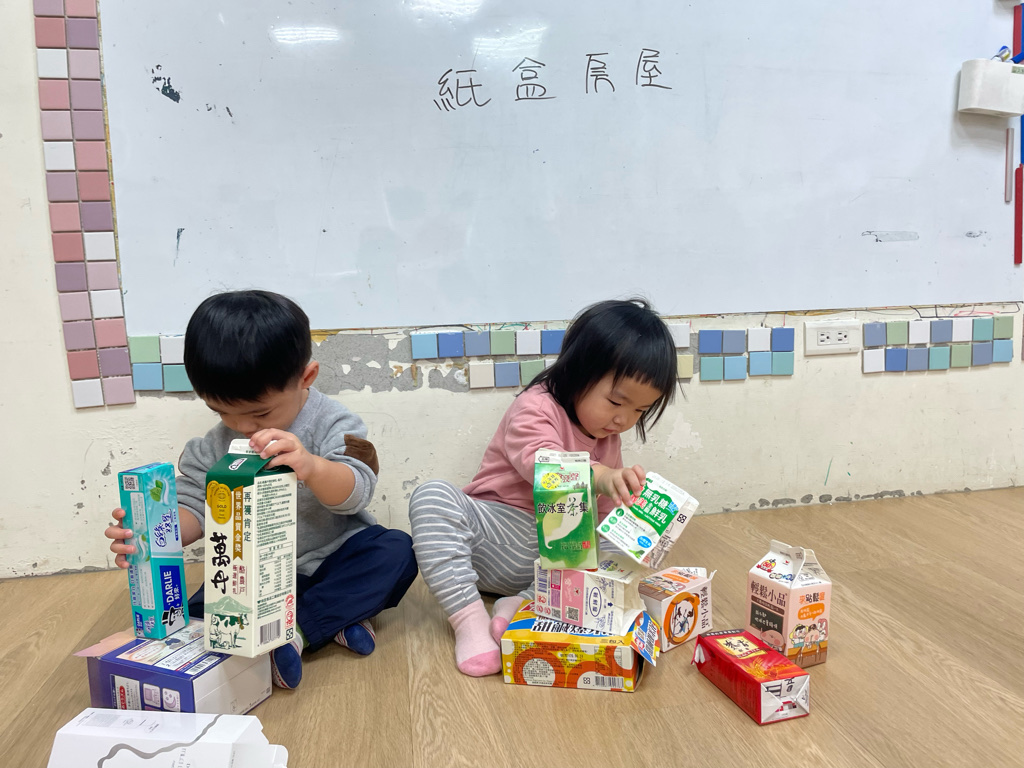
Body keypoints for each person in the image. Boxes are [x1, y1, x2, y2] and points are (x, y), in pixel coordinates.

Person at [106, 290, 418, 689]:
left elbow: (355, 493)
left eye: (260, 413)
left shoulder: (334, 423)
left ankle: (297, 632)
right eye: (222, 412)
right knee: (201, 608)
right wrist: (152, 533)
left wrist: (312, 466)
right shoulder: (213, 446)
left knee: (395, 551)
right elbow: (195, 509)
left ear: (306, 377)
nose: (242, 427)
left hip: (334, 558)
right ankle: (339, 619)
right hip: (254, 574)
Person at [409, 298, 677, 676]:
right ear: (579, 370)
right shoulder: (536, 405)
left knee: (612, 536)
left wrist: (630, 527)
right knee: (432, 496)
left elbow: (601, 519)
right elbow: (542, 466)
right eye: (616, 401)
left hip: (553, 562)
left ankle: (523, 605)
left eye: (640, 411)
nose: (624, 419)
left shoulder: (608, 438)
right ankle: (469, 621)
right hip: (497, 537)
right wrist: (601, 476)